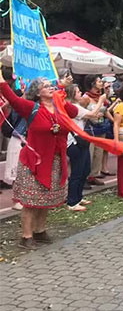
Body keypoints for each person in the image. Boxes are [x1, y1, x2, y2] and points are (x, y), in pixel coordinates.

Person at [0, 73, 80, 250]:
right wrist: (1, 81)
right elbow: (13, 99)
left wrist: (61, 97)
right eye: (46, 86)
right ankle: (26, 237)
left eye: (51, 85)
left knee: (46, 199)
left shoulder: (60, 107)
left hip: (55, 161)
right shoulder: (31, 108)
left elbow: (74, 112)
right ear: (37, 92)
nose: (51, 87)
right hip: (34, 163)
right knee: (30, 201)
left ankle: (40, 231)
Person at [65, 84, 105, 211]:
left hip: (81, 141)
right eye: (78, 92)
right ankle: (72, 201)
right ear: (72, 94)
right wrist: (101, 101)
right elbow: (92, 114)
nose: (81, 93)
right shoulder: (73, 107)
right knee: (77, 171)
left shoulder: (77, 107)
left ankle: (78, 197)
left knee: (85, 169)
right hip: (74, 142)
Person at [81, 75, 113, 185]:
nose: (101, 83)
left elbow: (105, 110)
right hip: (89, 129)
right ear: (92, 83)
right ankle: (85, 176)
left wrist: (114, 120)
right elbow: (80, 113)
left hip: (101, 128)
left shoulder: (101, 96)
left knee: (98, 153)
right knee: (90, 152)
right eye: (99, 81)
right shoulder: (85, 98)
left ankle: (93, 175)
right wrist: (92, 115)